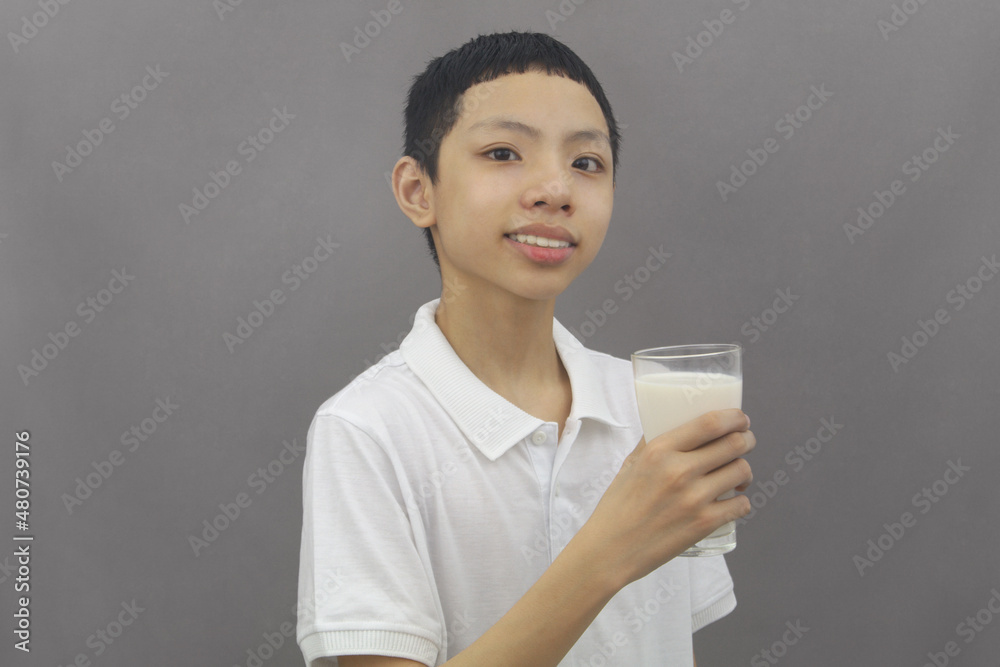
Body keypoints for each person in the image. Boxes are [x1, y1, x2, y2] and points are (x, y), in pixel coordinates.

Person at [296, 30, 755, 667]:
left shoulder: (645, 404)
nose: (555, 189)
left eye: (586, 163)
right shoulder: (368, 429)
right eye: (504, 152)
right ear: (418, 191)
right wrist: (607, 551)